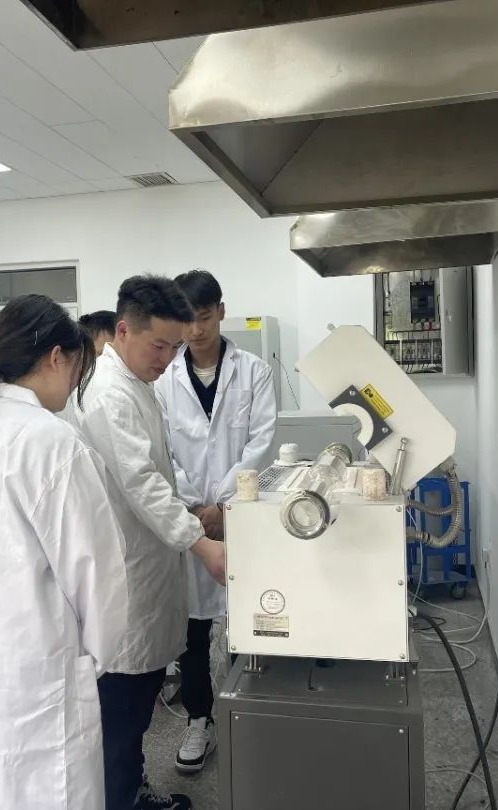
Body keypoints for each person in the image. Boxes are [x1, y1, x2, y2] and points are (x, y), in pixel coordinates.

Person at [0, 294, 130, 810]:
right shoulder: (52, 442)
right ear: (57, 358)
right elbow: (98, 578)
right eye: (78, 368)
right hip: (35, 676)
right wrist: (95, 659)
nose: (75, 384)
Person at [72, 275, 226, 810]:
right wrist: (201, 543)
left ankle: (132, 791)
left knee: (137, 706)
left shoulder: (137, 384)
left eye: (174, 347)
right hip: (125, 576)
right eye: (159, 345)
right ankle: (119, 798)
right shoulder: (108, 395)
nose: (167, 358)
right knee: (121, 711)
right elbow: (141, 483)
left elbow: (159, 469)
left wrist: (190, 513)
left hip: (150, 565)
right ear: (122, 331)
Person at [154, 270, 277, 774]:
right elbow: (163, 449)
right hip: (189, 519)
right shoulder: (164, 380)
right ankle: (199, 720)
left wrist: (224, 505)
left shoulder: (254, 372)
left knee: (249, 619)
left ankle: (248, 713)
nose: (195, 331)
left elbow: (262, 441)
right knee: (193, 628)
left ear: (220, 312)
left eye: (204, 318)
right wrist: (197, 508)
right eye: (187, 321)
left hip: (240, 513)